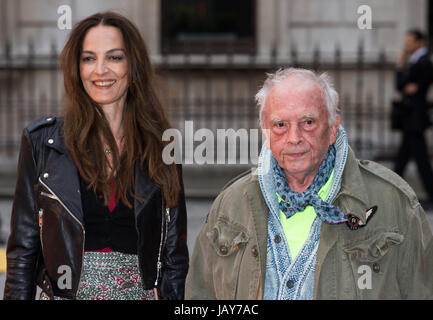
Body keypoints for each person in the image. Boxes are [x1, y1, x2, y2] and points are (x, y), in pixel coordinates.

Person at [185, 67, 433, 299]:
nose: (294, 138)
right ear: (265, 131)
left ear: (333, 127)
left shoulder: (394, 204)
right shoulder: (229, 206)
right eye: (280, 125)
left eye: (308, 123)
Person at [4, 11, 189, 300]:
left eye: (114, 57)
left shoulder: (162, 146)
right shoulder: (44, 143)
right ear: (77, 68)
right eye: (88, 58)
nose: (100, 69)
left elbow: (174, 258)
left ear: (134, 65)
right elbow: (22, 253)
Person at [394, 29, 433, 206]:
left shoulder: (424, 62)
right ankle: (393, 194)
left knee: (420, 160)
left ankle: (393, 194)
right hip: (411, 119)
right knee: (404, 159)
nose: (406, 45)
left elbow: (404, 85)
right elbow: (403, 86)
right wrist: (405, 80)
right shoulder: (417, 61)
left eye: (409, 42)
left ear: (419, 42)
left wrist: (400, 67)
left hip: (415, 119)